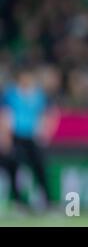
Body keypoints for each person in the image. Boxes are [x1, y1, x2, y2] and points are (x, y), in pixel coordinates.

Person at [1, 67, 51, 211]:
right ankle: (18, 202)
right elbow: (5, 114)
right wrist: (5, 136)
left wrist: (44, 131)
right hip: (16, 136)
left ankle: (47, 201)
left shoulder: (38, 95)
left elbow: (45, 113)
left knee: (40, 167)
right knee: (15, 168)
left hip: (32, 137)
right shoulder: (11, 94)